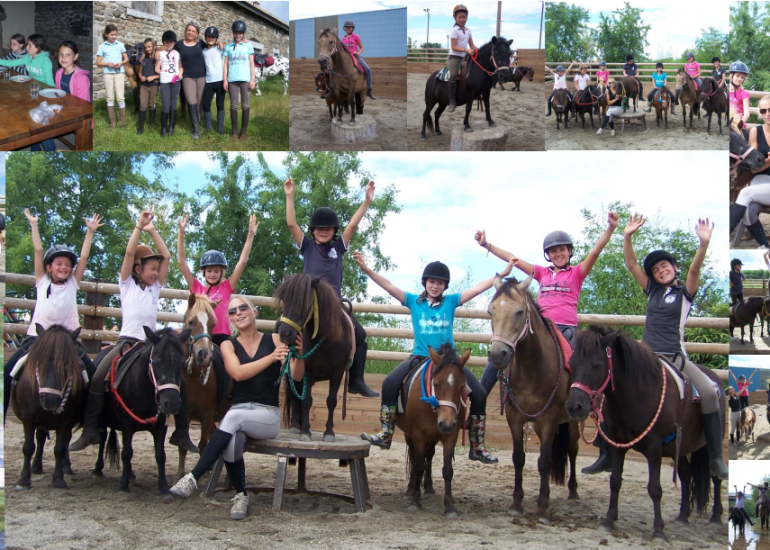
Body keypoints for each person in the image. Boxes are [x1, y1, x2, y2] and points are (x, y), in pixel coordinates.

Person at [476, 214, 618, 473]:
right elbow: (514, 259)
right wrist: (488, 246)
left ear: (569, 252)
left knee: (584, 368)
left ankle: (595, 411)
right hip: (540, 327)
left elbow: (596, 252)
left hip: (566, 330)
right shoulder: (541, 273)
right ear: (547, 256)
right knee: (499, 358)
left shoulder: (576, 273)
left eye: (562, 250)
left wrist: (609, 229)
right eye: (553, 251)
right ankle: (478, 399)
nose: (558, 254)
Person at [358, 255, 515, 463]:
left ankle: (477, 445)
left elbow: (477, 288)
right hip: (420, 356)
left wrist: (502, 274)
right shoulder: (413, 301)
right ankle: (386, 432)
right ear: (425, 283)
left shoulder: (451, 302)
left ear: (445, 286)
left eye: (440, 283)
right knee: (389, 383)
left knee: (479, 393)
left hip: (447, 361)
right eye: (431, 282)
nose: (435, 286)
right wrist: (367, 269)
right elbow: (388, 286)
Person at [70, 207, 198, 455]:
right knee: (97, 377)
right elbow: (130, 252)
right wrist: (139, 227)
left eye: (156, 269)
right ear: (138, 269)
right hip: (126, 342)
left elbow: (167, 256)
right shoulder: (126, 285)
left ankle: (181, 432)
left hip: (150, 344)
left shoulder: (155, 288)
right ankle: (91, 429)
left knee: (179, 379)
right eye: (151, 268)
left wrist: (153, 231)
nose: (155, 272)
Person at [170, 296, 304, 520]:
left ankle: (192, 477)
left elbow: (296, 376)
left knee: (231, 419)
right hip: (239, 413)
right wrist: (271, 358)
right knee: (231, 441)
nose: (238, 312)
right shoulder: (227, 345)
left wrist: (299, 355)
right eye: (232, 311)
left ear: (254, 312)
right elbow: (238, 373)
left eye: (243, 308)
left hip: (266, 415)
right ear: (230, 320)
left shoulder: (275, 339)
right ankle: (242, 495)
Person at [623, 214, 728, 480]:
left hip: (675, 357)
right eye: (656, 270)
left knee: (709, 391)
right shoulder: (652, 290)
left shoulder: (684, 293)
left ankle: (715, 456)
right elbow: (631, 263)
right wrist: (627, 236)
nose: (660, 271)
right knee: (612, 379)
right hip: (647, 357)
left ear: (674, 267)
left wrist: (703, 245)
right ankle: (605, 447)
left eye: (664, 266)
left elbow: (694, 271)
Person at [3, 209, 101, 422]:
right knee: (8, 368)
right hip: (38, 340)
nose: (64, 267)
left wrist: (90, 232)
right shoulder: (42, 282)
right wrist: (34, 225)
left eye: (67, 264)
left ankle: (88, 422)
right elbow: (38, 251)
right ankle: (4, 414)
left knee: (93, 374)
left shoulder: (73, 283)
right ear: (49, 267)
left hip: (67, 342)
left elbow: (84, 256)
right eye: (59, 263)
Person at [283, 178, 379, 398]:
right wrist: (290, 197)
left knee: (361, 334)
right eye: (319, 228)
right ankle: (284, 368)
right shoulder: (306, 246)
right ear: (313, 231)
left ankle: (356, 380)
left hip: (334, 305)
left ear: (334, 230)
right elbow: (291, 224)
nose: (323, 231)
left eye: (328, 228)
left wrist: (365, 203)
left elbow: (352, 226)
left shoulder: (338, 247)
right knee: (285, 328)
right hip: (307, 304)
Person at [177, 213, 259, 346]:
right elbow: (181, 262)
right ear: (204, 272)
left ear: (222, 272)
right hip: (200, 335)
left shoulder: (226, 287)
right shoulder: (197, 287)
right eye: (209, 271)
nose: (212, 274)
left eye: (216, 271)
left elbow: (242, 262)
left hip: (222, 336)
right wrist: (181, 233)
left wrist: (250, 235)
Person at [31, 41, 91, 152]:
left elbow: (85, 107)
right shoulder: (59, 73)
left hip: (78, 115)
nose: (63, 58)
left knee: (44, 127)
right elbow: (58, 95)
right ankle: (35, 150)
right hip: (64, 109)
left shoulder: (81, 78)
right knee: (36, 116)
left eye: (68, 54)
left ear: (76, 56)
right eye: (61, 54)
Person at [729, 94, 770, 249]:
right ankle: (765, 247)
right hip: (759, 183)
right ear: (760, 112)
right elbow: (754, 168)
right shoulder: (755, 132)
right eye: (763, 110)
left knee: (745, 194)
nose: (767, 114)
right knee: (748, 212)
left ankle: (725, 233)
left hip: (762, 188)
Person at [175, 22, 210, 140]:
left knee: (199, 101)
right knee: (191, 101)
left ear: (197, 34)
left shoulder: (201, 43)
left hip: (201, 76)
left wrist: (220, 43)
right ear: (185, 31)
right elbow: (170, 51)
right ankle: (197, 129)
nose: (190, 32)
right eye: (189, 30)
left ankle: (196, 126)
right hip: (187, 76)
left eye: (193, 31)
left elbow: (212, 46)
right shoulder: (179, 44)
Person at [223, 20, 255, 141]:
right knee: (233, 106)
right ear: (233, 33)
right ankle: (235, 132)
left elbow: (252, 64)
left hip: (245, 80)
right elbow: (226, 65)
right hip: (232, 80)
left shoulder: (248, 46)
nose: (238, 35)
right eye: (236, 32)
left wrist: (252, 79)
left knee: (245, 105)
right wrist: (224, 80)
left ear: (243, 33)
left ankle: (243, 132)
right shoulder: (228, 47)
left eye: (240, 33)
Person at [96, 24, 128, 130]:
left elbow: (126, 59)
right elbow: (98, 62)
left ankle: (123, 122)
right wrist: (107, 64)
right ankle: (113, 123)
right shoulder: (102, 46)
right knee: (110, 97)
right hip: (108, 74)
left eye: (115, 34)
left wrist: (121, 63)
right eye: (112, 35)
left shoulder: (120, 45)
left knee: (120, 97)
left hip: (119, 73)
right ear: (106, 34)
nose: (114, 36)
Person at [446, 4, 477, 113]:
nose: (462, 19)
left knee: (475, 70)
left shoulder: (468, 30)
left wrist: (478, 51)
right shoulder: (454, 30)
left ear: (466, 18)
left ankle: (475, 94)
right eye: (459, 17)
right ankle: (452, 100)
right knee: (453, 74)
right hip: (455, 56)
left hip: (465, 56)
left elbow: (472, 45)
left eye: (464, 17)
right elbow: (453, 47)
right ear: (455, 18)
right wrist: (466, 50)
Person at [340, 20, 377, 100]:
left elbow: (362, 47)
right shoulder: (342, 39)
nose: (348, 28)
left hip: (355, 57)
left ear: (352, 28)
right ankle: (332, 89)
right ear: (344, 28)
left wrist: (358, 52)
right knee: (332, 68)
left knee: (367, 69)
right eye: (347, 27)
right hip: (345, 59)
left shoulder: (356, 36)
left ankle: (369, 90)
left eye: (350, 27)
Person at [156, 30, 182, 138]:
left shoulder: (177, 54)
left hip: (176, 81)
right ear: (164, 43)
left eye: (171, 42)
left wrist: (180, 73)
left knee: (173, 105)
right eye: (167, 42)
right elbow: (157, 68)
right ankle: (163, 130)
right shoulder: (161, 54)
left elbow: (180, 67)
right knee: (165, 106)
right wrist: (162, 73)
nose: (169, 44)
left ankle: (171, 128)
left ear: (174, 42)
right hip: (165, 82)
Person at [201, 26, 226, 135]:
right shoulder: (203, 50)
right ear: (206, 37)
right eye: (209, 37)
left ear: (216, 38)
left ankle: (220, 128)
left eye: (213, 37)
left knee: (220, 105)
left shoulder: (221, 49)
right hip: (208, 81)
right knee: (206, 104)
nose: (211, 38)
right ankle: (208, 127)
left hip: (220, 80)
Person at [136, 38, 159, 136]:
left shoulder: (157, 59)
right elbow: (140, 72)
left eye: (149, 47)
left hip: (154, 84)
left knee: (151, 104)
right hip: (144, 86)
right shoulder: (143, 59)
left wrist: (153, 77)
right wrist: (141, 77)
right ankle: (141, 127)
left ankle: (152, 124)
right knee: (142, 105)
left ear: (154, 47)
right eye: (146, 48)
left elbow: (162, 73)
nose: (148, 49)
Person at [729, 61, 751, 126]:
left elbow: (747, 114)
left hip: (738, 124)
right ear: (731, 76)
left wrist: (739, 124)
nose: (740, 79)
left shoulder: (744, 94)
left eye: (742, 77)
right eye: (737, 76)